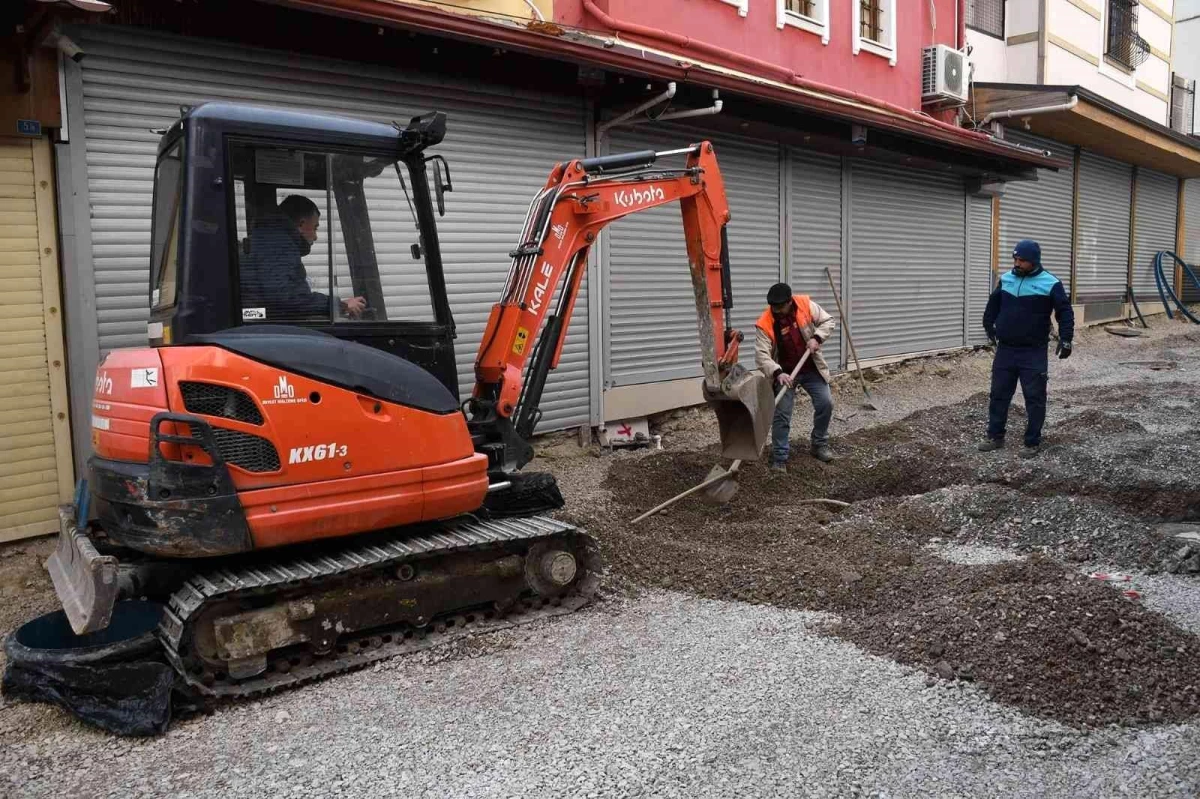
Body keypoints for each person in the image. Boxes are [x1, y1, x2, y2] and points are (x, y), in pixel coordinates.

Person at [980, 239, 1075, 458]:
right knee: (998, 395)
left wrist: (1066, 338)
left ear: (1033, 261)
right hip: (1006, 350)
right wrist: (989, 326)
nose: (1017, 263)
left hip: (1033, 351)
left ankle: (1032, 442)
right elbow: (993, 306)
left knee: (1034, 397)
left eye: (1022, 260)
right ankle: (995, 436)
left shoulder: (1050, 283)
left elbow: (1065, 312)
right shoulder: (1006, 279)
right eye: (1015, 259)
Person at [754, 282, 838, 472]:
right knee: (782, 414)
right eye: (773, 307)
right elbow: (761, 356)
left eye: (780, 307)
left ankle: (819, 444)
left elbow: (828, 321)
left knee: (826, 403)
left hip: (810, 367)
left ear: (789, 302)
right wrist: (777, 373)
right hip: (785, 374)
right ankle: (779, 457)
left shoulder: (805, 305)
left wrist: (816, 338)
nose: (776, 311)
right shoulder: (765, 323)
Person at [242, 194, 366, 320]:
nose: (316, 236)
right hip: (266, 324)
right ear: (301, 224)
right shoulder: (278, 244)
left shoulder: (269, 239)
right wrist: (339, 305)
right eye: (315, 228)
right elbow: (285, 298)